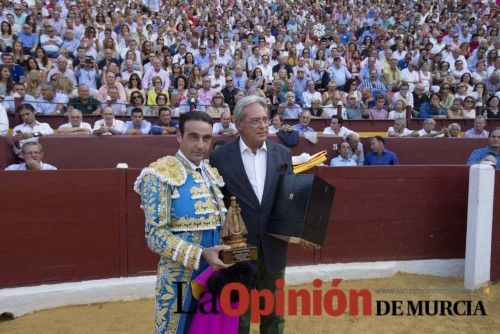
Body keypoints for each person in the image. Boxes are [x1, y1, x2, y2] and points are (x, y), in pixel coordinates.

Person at [134, 111, 229, 333]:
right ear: (179, 136)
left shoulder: (210, 173)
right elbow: (155, 236)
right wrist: (201, 254)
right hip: (178, 279)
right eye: (193, 137)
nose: (201, 145)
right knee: (176, 328)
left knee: (208, 329)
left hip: (213, 273)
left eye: (206, 138)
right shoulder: (159, 174)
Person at [210, 95, 293, 334]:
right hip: (238, 248)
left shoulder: (283, 154)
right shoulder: (220, 157)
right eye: (255, 120)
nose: (263, 125)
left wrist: (299, 231)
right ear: (239, 125)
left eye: (265, 120)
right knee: (239, 316)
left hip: (274, 245)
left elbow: (288, 197)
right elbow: (219, 204)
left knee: (274, 313)